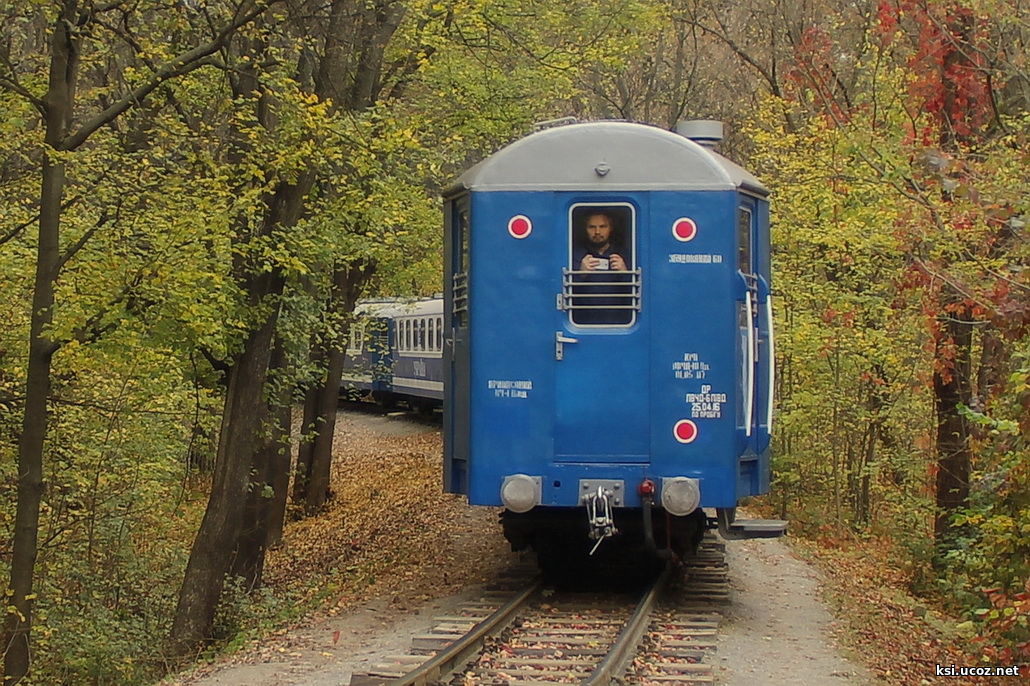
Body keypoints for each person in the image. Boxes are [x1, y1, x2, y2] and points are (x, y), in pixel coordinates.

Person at [570, 210, 634, 325]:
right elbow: (563, 293)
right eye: (592, 227)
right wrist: (580, 274)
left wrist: (625, 273)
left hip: (620, 324)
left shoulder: (625, 254)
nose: (597, 232)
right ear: (585, 229)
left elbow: (639, 293)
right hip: (581, 324)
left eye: (603, 226)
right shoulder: (574, 255)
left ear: (611, 228)